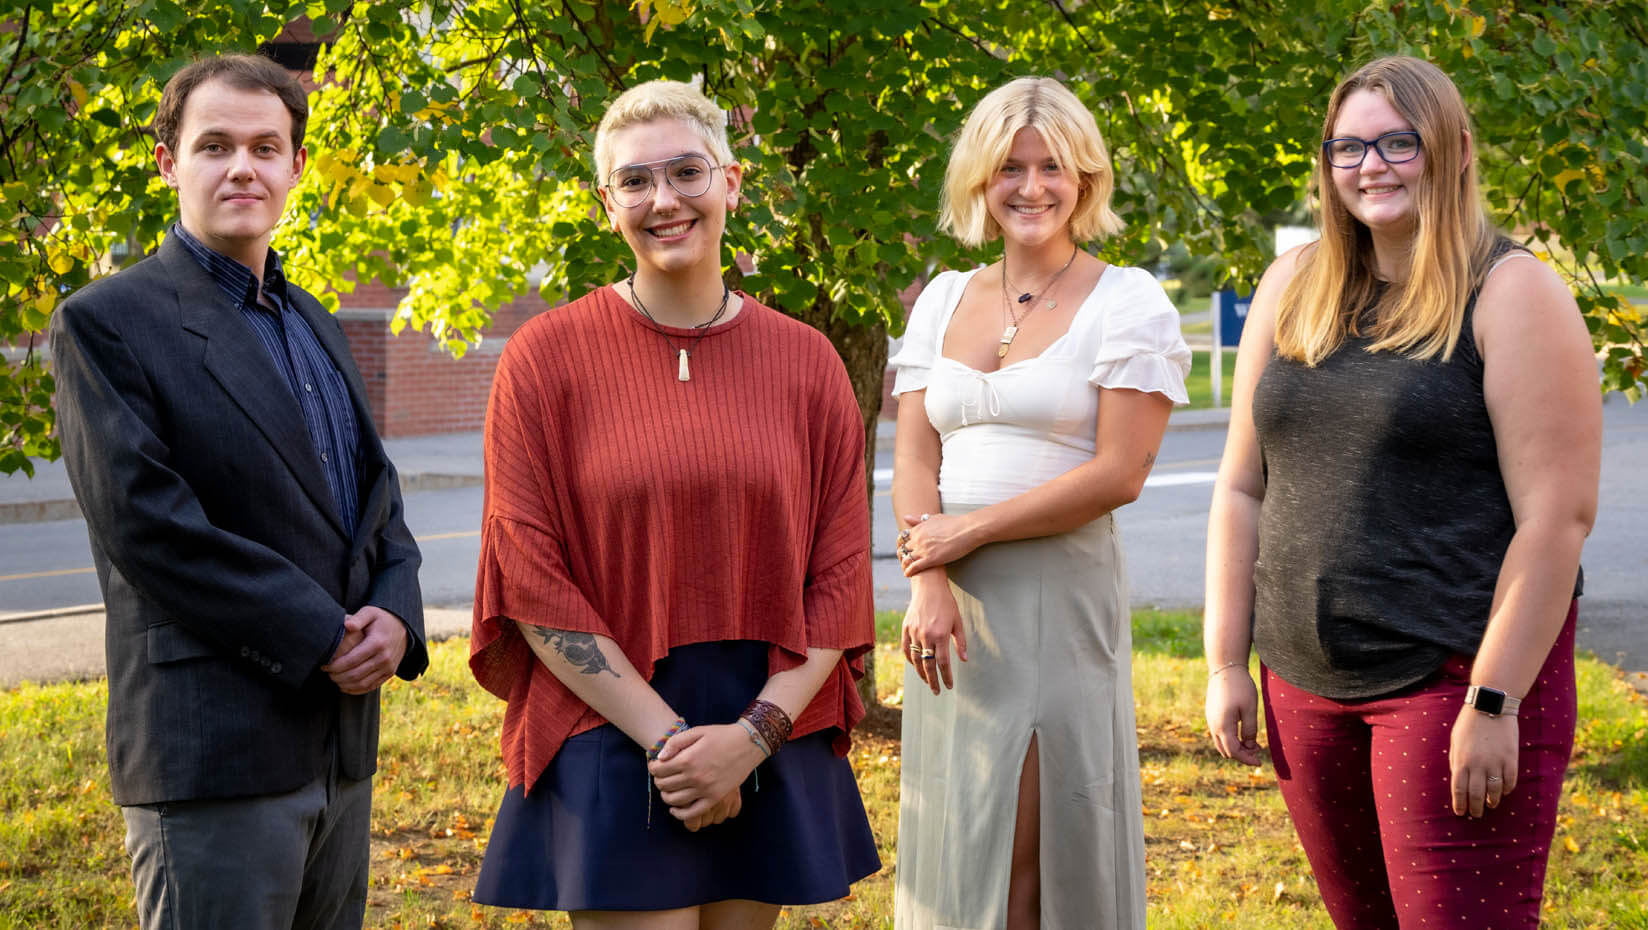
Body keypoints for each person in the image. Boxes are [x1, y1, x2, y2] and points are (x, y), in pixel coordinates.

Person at [466, 79, 880, 928]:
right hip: (609, 718)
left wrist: (751, 737)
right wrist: (669, 743)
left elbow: (839, 581)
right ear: (603, 203)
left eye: (688, 172)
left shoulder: (808, 364)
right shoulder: (543, 361)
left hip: (767, 712)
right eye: (635, 181)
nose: (664, 200)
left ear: (731, 182)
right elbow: (529, 578)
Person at [1203, 56, 1600, 929]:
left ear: (1454, 151)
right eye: (1348, 147)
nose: (1370, 165)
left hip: (1451, 682)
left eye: (1396, 142)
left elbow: (1556, 521)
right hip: (1303, 685)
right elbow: (1241, 486)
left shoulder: (1512, 291)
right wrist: (1228, 660)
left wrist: (1495, 700)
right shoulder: (1292, 286)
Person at [49, 54, 428, 930]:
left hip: (340, 749)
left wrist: (396, 610)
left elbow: (376, 499)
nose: (242, 167)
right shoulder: (107, 322)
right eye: (214, 145)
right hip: (213, 752)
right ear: (168, 162)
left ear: (297, 166)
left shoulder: (315, 323)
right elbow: (150, 528)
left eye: (266, 146)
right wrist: (323, 632)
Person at [889, 76, 1191, 929]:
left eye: (1051, 165)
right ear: (979, 182)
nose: (1030, 187)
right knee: (957, 823)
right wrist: (929, 580)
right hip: (946, 616)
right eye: (1009, 167)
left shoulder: (1127, 300)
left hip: (1058, 605)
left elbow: (1118, 475)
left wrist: (963, 532)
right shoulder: (944, 298)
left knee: (1035, 839)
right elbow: (914, 454)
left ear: (1085, 179)